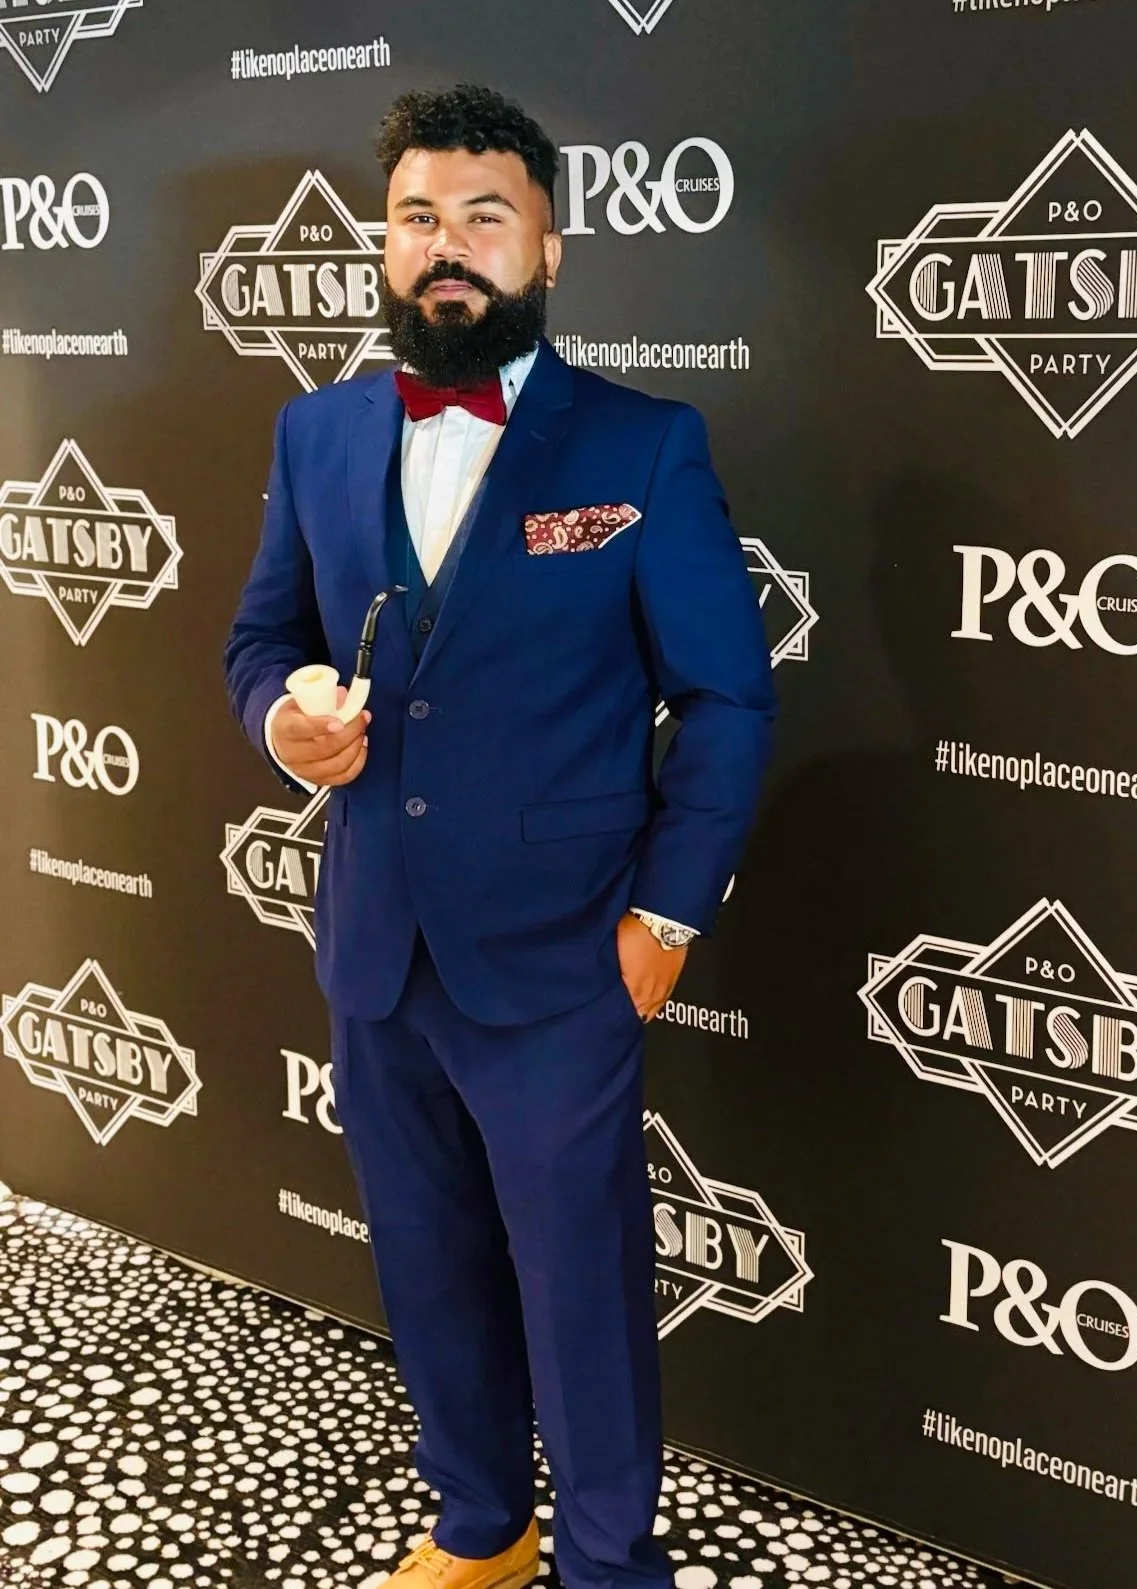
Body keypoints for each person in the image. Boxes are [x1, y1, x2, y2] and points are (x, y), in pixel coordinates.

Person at [224, 83, 776, 1589]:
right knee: (427, 1267)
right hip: (375, 948)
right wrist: (283, 723)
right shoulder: (317, 431)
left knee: (581, 1293)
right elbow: (262, 640)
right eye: (418, 217)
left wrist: (665, 917)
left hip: (564, 956)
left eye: (487, 215)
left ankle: (606, 1565)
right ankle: (482, 1527)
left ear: (549, 247)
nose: (448, 245)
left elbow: (727, 697)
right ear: (384, 243)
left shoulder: (645, 445)